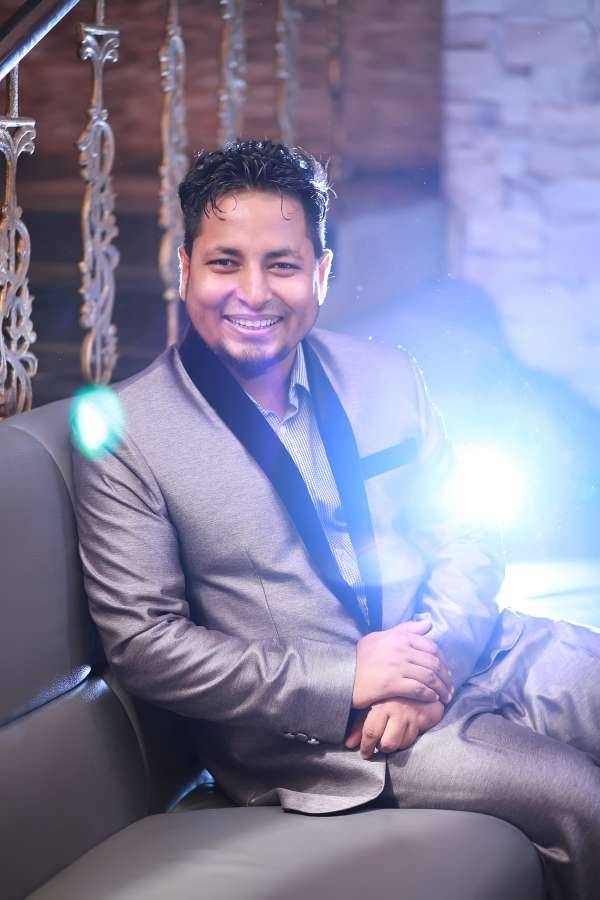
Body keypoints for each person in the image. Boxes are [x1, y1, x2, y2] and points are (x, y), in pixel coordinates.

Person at [73, 139, 600, 900]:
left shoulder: (389, 371)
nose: (254, 292)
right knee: (581, 800)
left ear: (321, 271)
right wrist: (351, 677)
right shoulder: (127, 433)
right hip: (329, 738)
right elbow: (145, 646)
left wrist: (433, 660)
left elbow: (468, 529)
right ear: (184, 269)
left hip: (480, 647)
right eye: (225, 263)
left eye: (282, 265)